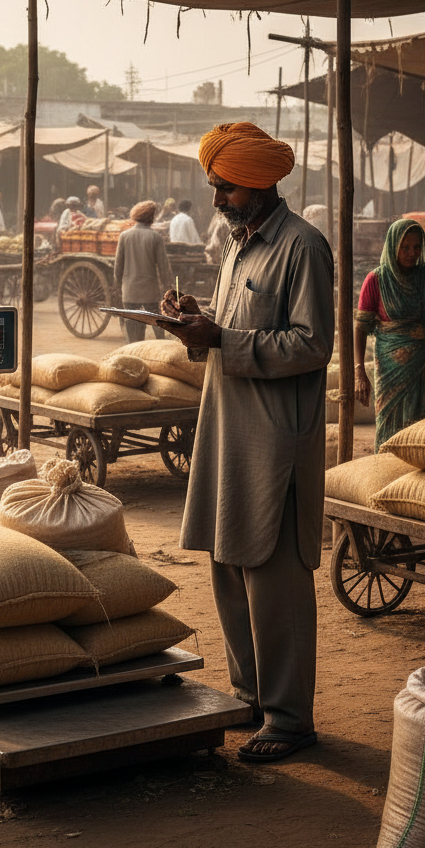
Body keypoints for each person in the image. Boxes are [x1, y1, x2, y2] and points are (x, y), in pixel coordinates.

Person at [158, 122, 333, 763]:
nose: (216, 200)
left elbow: (313, 344)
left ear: (259, 183)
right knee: (228, 563)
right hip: (228, 428)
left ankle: (289, 719)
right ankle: (250, 697)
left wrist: (221, 340)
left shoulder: (302, 247)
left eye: (224, 188)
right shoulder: (239, 246)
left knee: (274, 577)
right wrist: (195, 320)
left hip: (276, 438)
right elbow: (239, 328)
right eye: (214, 187)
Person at [354, 220, 425, 451]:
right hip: (391, 370)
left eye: (417, 247)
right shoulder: (376, 280)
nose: (412, 253)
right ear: (392, 247)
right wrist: (359, 371)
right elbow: (361, 328)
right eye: (405, 247)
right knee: (391, 429)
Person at [113, 200, 173, 343]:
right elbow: (164, 268)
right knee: (159, 328)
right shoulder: (155, 237)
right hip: (150, 293)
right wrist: (169, 290)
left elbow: (118, 267)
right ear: (150, 218)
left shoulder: (124, 236)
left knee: (133, 333)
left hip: (129, 292)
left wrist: (117, 288)